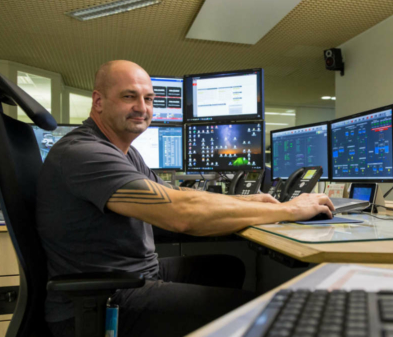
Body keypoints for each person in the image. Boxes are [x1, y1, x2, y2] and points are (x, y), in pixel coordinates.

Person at [36, 60, 335, 337]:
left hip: (134, 273)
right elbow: (181, 214)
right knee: (267, 311)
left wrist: (252, 202)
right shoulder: (85, 152)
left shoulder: (123, 150)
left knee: (228, 267)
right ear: (98, 101)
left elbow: (178, 194)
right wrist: (289, 210)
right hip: (102, 300)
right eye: (129, 97)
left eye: (148, 98)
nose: (142, 107)